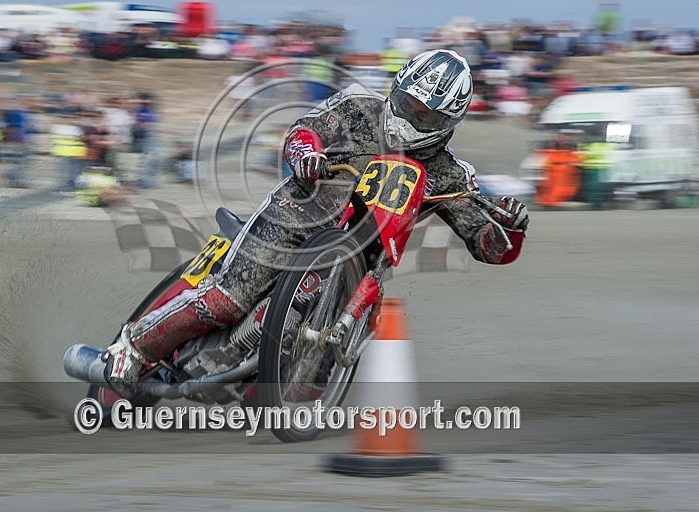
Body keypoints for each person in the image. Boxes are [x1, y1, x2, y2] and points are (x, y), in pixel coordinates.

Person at [104, 50, 530, 395]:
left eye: (426, 118)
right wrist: (306, 154)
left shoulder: (452, 174)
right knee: (229, 298)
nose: (411, 120)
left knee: (318, 378)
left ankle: (278, 381)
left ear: (448, 124)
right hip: (295, 214)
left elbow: (490, 245)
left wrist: (510, 228)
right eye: (407, 105)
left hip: (361, 263)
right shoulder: (356, 108)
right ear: (395, 90)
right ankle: (136, 346)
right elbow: (305, 130)